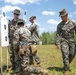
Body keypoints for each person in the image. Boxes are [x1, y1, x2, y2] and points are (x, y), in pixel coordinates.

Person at [55, 9, 76, 74]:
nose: (61, 17)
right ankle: (66, 69)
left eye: (62, 16)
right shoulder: (59, 25)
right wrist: (57, 43)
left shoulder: (73, 22)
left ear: (66, 15)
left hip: (72, 41)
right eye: (60, 16)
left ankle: (67, 63)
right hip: (64, 41)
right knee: (65, 54)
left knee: (72, 54)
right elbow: (58, 34)